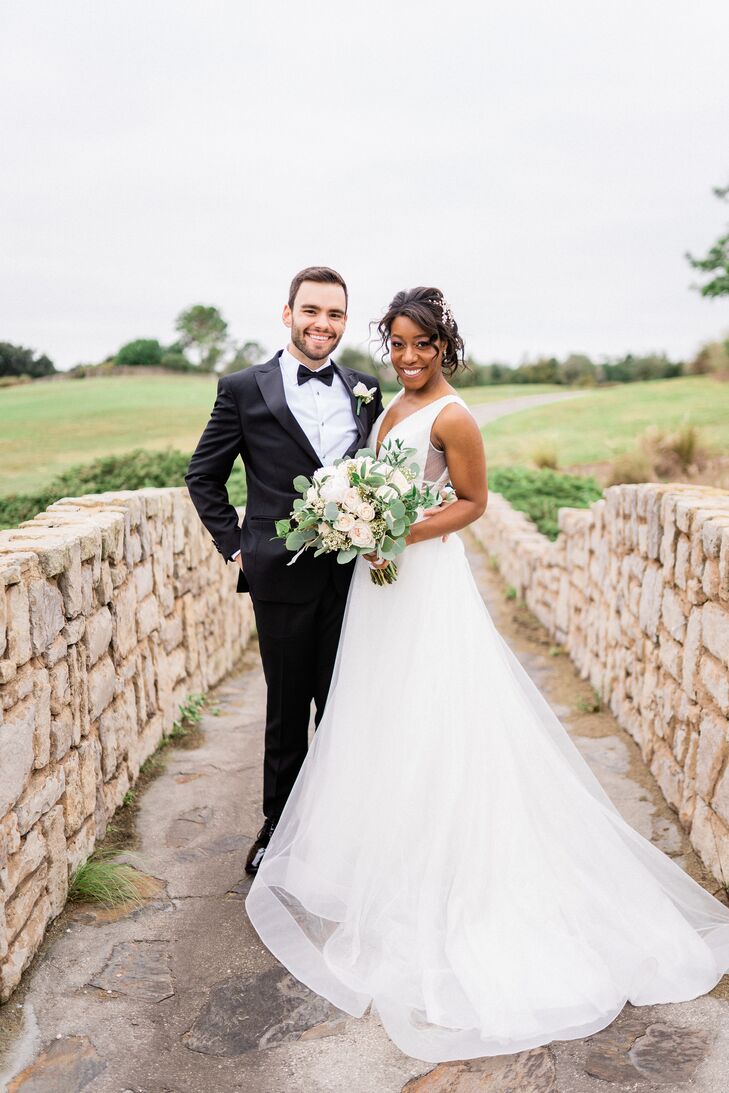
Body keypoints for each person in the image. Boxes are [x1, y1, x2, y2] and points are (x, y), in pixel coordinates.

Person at [245, 287, 729, 1064]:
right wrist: (360, 519)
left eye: (420, 345)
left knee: (437, 715)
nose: (406, 356)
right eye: (396, 343)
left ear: (444, 346)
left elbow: (472, 502)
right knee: (380, 716)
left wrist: (396, 528)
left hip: (424, 584)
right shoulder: (389, 411)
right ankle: (382, 852)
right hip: (378, 589)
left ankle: (449, 870)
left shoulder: (453, 415)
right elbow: (379, 482)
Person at [185, 266, 383, 874]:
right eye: (312, 311)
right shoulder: (244, 388)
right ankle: (279, 828)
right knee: (288, 706)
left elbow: (380, 469)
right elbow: (204, 476)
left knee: (348, 704)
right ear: (288, 313)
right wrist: (236, 546)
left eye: (335, 314)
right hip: (280, 576)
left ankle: (349, 827)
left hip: (354, 578)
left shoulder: (366, 389)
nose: (323, 324)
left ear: (345, 321)